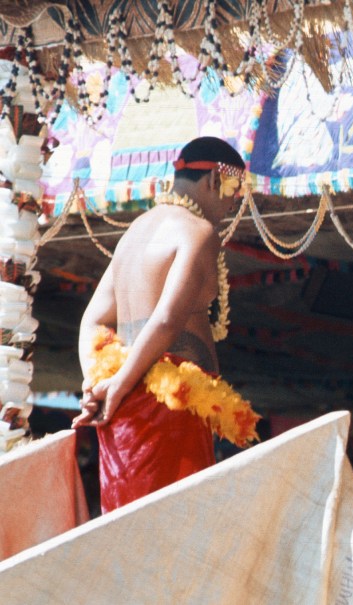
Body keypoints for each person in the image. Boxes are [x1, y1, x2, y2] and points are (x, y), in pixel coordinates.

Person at [72, 136, 258, 513]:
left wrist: (100, 383)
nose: (235, 199)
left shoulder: (134, 232)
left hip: (122, 410)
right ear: (213, 181)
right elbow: (168, 318)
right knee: (174, 537)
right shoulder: (198, 231)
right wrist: (118, 385)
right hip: (170, 412)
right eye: (236, 187)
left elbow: (91, 321)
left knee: (128, 533)